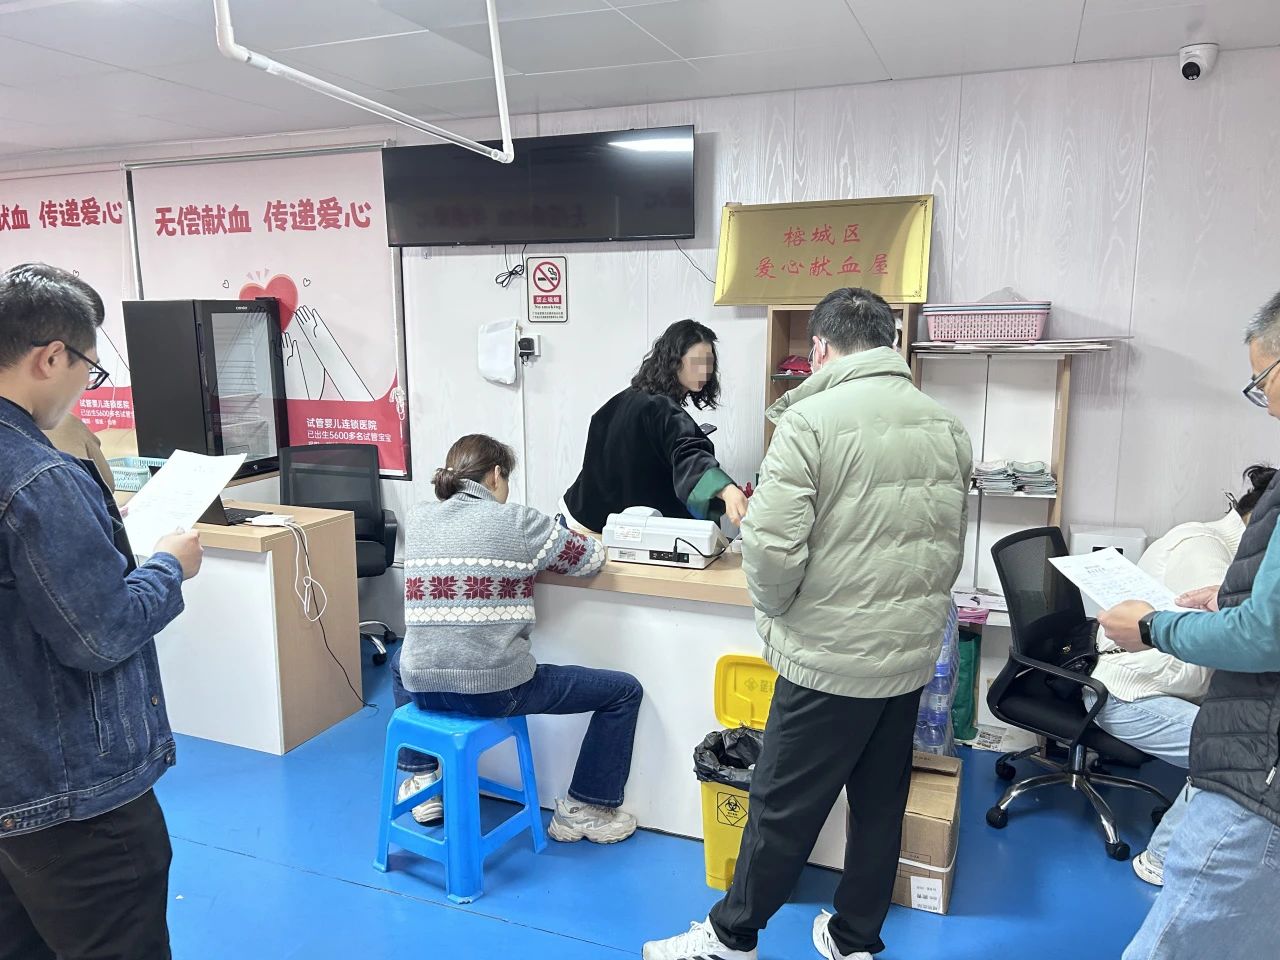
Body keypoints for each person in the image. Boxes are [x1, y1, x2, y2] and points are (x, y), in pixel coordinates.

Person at [644, 287, 972, 960]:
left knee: (780, 805)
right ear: (890, 343)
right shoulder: (945, 425)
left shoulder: (810, 421)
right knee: (880, 806)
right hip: (907, 653)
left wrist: (779, 610)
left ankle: (731, 938)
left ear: (819, 348)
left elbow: (769, 550)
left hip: (830, 655)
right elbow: (945, 540)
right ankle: (855, 939)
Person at [0, 263, 203, 960]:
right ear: (51, 357)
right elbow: (101, 633)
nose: (86, 384)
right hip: (71, 798)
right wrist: (169, 565)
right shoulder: (37, 476)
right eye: (89, 367)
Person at [1099, 289, 1280, 960]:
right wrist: (1212, 613)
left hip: (1259, 761)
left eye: (1262, 380)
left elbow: (1258, 637)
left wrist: (1156, 626)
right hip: (1135, 691)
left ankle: (1161, 855)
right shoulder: (1205, 548)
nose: (1266, 402)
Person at [391, 434, 644, 843]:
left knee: (401, 659)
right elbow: (591, 559)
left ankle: (423, 779)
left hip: (424, 688)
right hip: (495, 692)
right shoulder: (519, 522)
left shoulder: (418, 517)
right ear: (496, 475)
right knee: (623, 691)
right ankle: (584, 809)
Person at [1087, 463, 1275, 886]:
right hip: (1129, 693)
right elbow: (1224, 639)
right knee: (1230, 751)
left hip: (1169, 687)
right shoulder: (1203, 548)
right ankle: (1160, 859)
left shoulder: (1233, 555)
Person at [562, 319, 748, 533]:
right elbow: (688, 452)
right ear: (673, 361)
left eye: (709, 362)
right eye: (697, 362)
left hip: (579, 514)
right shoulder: (661, 408)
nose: (705, 371)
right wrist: (726, 489)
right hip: (597, 531)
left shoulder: (627, 398)